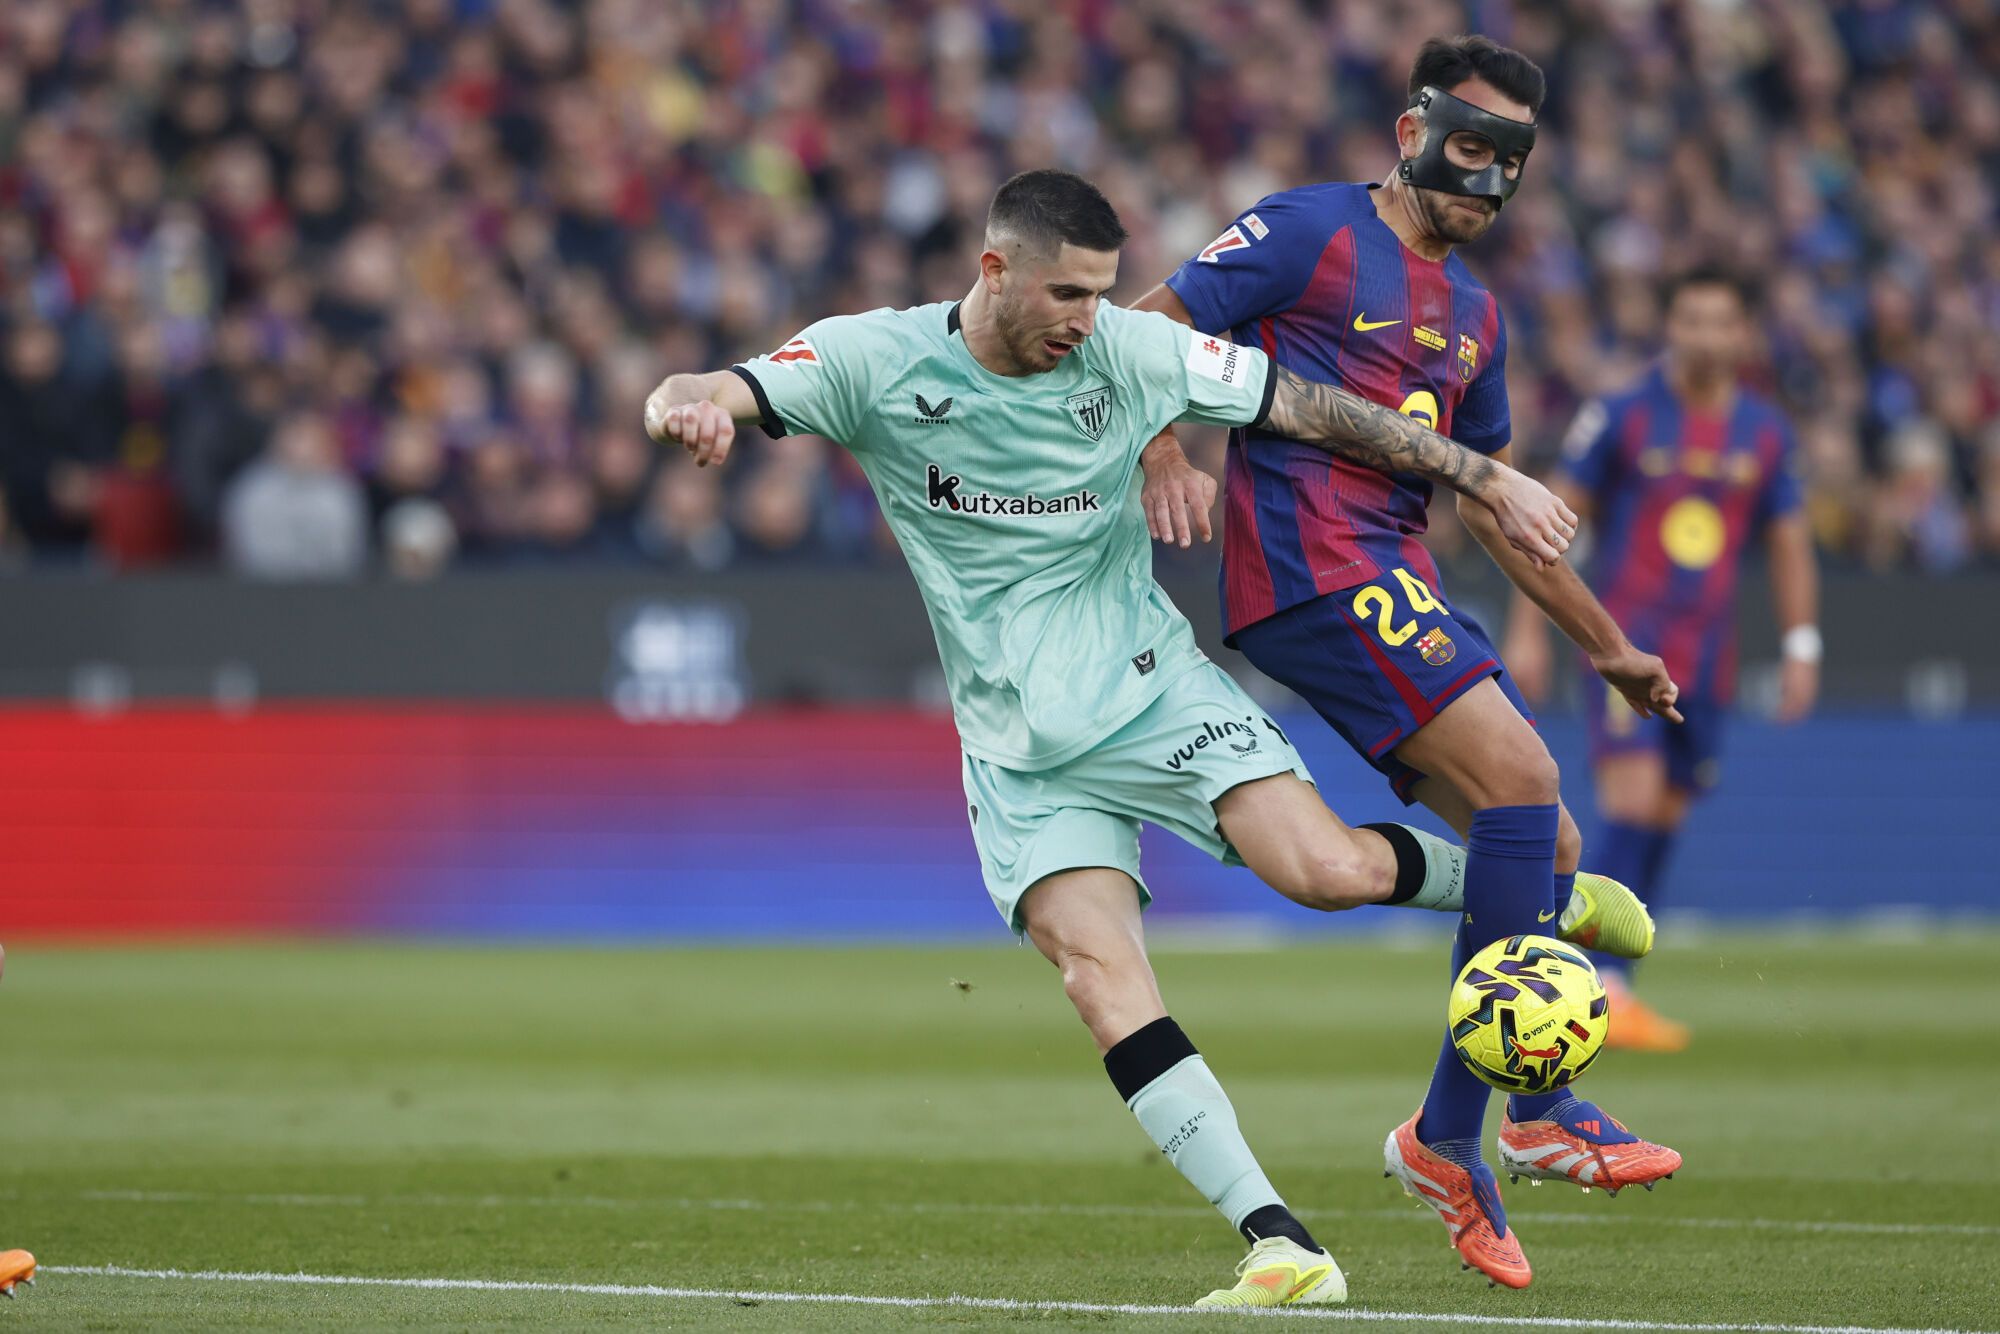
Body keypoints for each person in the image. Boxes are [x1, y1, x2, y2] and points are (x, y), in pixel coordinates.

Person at [645, 170, 1650, 1308]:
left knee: (1325, 871)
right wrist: (680, 407)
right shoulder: (874, 360)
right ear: (994, 270)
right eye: (1068, 293)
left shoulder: (1128, 350)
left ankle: (1531, 895)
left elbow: (1311, 406)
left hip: (1149, 685)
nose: (1087, 318)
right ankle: (1281, 1243)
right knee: (1097, 979)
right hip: (1015, 740)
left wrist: (1478, 469)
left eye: (1100, 293)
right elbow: (704, 384)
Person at [1131, 35, 1682, 1288]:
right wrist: (1167, 447)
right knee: (1523, 773)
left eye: (1508, 162)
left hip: (1398, 580)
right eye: (1467, 147)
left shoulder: (1478, 316)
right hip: (1310, 566)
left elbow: (1495, 507)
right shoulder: (1303, 232)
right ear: (1409, 129)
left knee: (1540, 846)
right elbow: (1148, 327)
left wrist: (1606, 647)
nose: (1482, 181)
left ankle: (1444, 1136)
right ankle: (1533, 1114)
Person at [1502, 267, 1820, 1050]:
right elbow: (1544, 515)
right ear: (1669, 327)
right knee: (1633, 802)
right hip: (1625, 644)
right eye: (1690, 320)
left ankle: (1615, 980)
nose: (1704, 337)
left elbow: (1788, 542)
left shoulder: (1766, 431)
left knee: (1668, 813)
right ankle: (1587, 985)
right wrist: (1532, 628)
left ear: (1744, 333)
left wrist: (1801, 644)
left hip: (1708, 659)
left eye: (1721, 321)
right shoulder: (1621, 414)